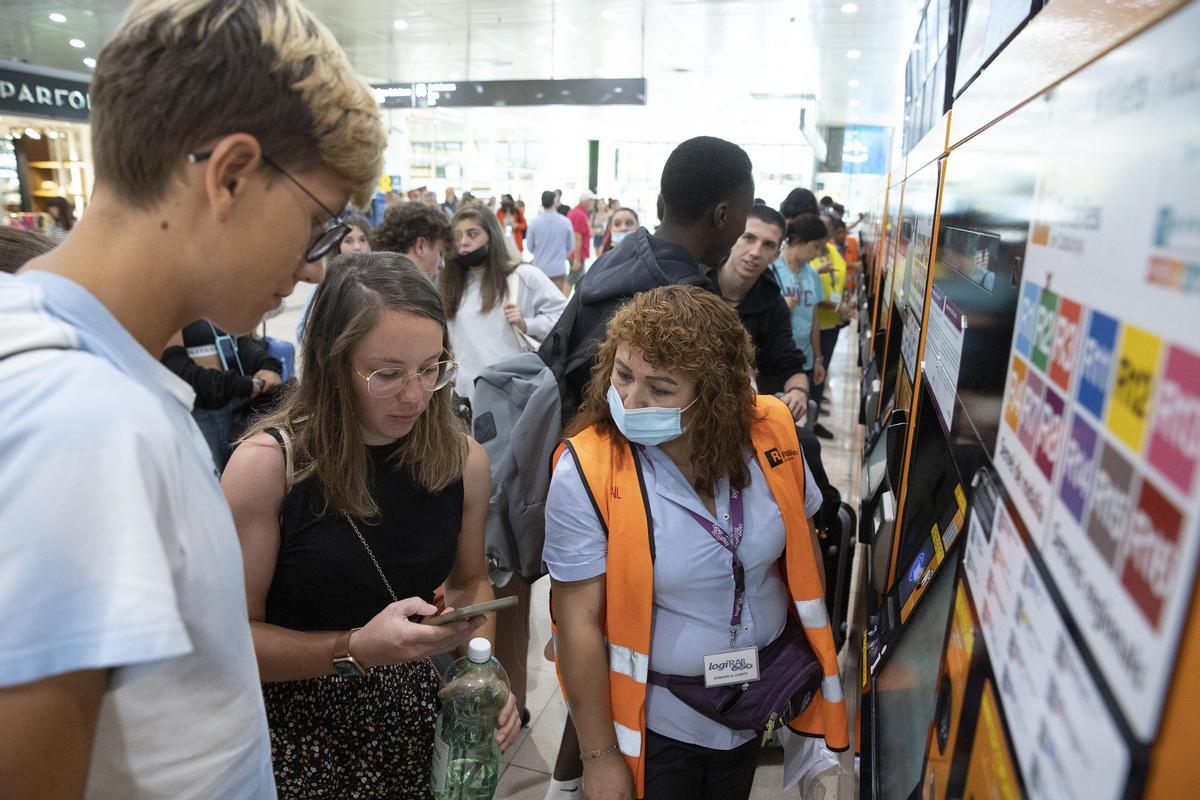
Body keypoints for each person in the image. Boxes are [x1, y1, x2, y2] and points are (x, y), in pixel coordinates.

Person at [0, 0, 386, 795]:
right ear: (231, 174)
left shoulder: (97, 375)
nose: (315, 269)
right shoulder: (84, 416)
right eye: (317, 225)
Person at [223, 253, 520, 797]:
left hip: (410, 719)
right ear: (332, 362)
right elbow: (230, 639)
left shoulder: (461, 460)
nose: (414, 395)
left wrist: (481, 671)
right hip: (291, 727)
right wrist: (355, 647)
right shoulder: (267, 468)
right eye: (386, 374)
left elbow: (468, 581)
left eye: (431, 368)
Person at [544, 285, 848, 800]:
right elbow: (575, 621)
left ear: (715, 395)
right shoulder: (587, 469)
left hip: (755, 699)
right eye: (622, 375)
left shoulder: (771, 432)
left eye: (660, 388)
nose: (631, 401)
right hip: (661, 719)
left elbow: (803, 550)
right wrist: (598, 757)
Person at [545, 135, 755, 414]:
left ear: (660, 204)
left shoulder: (613, 260)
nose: (743, 227)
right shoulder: (689, 303)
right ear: (722, 216)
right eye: (747, 213)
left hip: (574, 438)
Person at [443, 206, 568, 404]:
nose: (464, 242)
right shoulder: (452, 286)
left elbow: (565, 317)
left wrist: (528, 324)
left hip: (513, 394)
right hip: (466, 397)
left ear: (491, 236)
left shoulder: (523, 276)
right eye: (457, 236)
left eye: (472, 234)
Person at [712, 205, 809, 416]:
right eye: (748, 238)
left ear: (776, 254)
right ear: (733, 237)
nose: (755, 252)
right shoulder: (695, 283)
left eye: (767, 245)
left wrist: (798, 392)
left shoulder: (774, 306)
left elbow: (789, 361)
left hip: (742, 414)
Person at [162, 321, 284, 470]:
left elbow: (238, 342)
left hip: (239, 402)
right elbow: (173, 363)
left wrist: (266, 365)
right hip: (199, 407)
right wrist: (236, 385)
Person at [770, 214, 829, 400]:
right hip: (776, 359)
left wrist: (818, 358)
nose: (818, 253)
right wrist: (780, 306)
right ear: (799, 241)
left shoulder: (812, 275)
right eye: (816, 246)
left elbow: (814, 319)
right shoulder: (772, 271)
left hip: (804, 360)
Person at [296, 211, 372, 343]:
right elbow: (303, 331)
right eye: (348, 241)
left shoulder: (382, 281)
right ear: (337, 247)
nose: (357, 247)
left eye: (362, 240)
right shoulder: (325, 283)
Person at [811, 215, 849, 439]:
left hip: (832, 322)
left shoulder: (833, 251)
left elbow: (839, 279)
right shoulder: (809, 254)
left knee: (821, 371)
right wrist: (838, 305)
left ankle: (813, 419)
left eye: (827, 228)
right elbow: (807, 286)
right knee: (813, 371)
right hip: (815, 322)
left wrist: (843, 304)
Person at [372, 200, 454, 280]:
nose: (442, 264)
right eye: (440, 253)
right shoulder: (411, 292)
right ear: (420, 246)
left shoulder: (372, 280)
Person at [527, 189, 575, 292]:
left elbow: (529, 247)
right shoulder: (565, 222)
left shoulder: (534, 223)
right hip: (558, 269)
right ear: (554, 201)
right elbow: (570, 247)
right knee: (556, 303)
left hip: (539, 268)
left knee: (539, 301)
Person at [568, 190, 597, 285]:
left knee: (579, 281)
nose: (593, 203)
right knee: (571, 280)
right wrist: (577, 259)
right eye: (591, 200)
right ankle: (563, 299)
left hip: (576, 253)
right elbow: (577, 238)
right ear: (586, 201)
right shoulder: (579, 215)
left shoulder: (578, 212)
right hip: (577, 255)